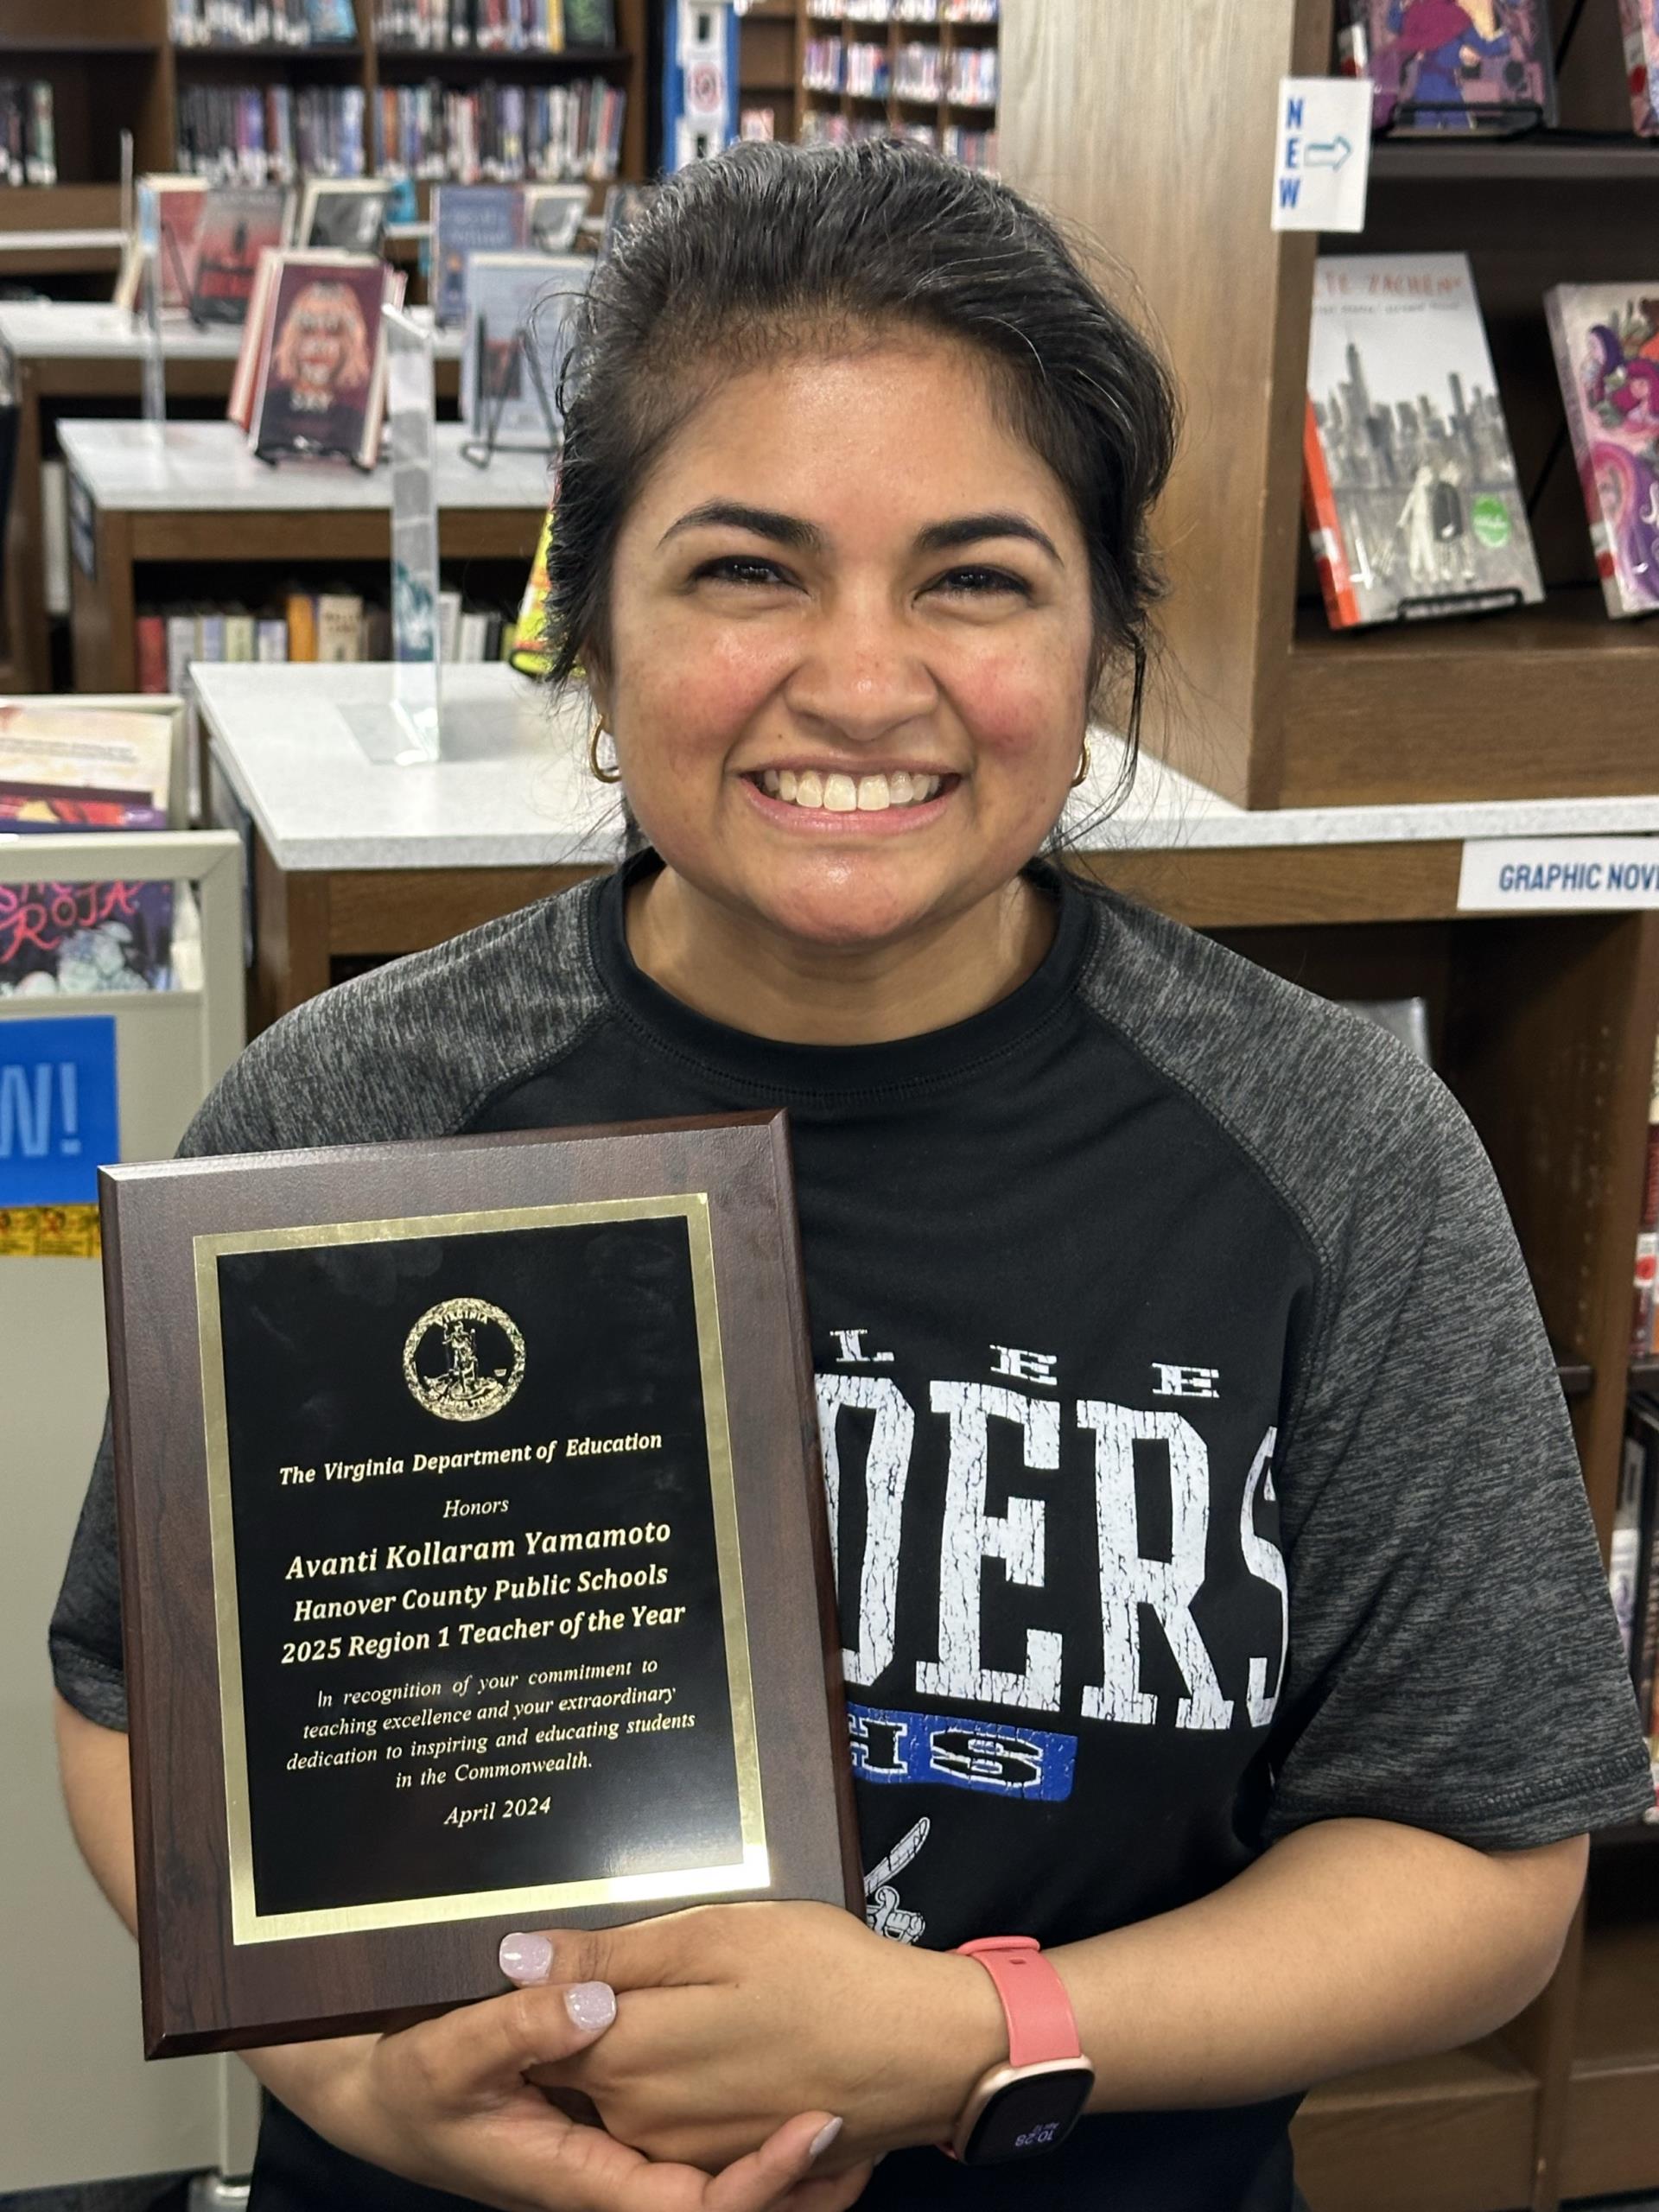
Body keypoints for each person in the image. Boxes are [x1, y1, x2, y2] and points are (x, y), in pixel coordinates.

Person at [50, 140, 1651, 2212]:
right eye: (745, 568)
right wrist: (369, 2089)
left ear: (1098, 656)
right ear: (590, 632)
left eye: (977, 575)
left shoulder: (1338, 1157)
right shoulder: (347, 1115)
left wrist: (969, 2035)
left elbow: (1484, 1853)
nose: (865, 679)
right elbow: (133, 1707)